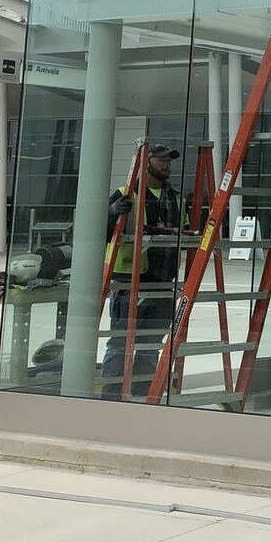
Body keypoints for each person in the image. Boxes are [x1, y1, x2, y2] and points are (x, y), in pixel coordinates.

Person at [101, 142, 183, 398]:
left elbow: (185, 234)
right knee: (121, 340)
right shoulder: (126, 193)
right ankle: (113, 391)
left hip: (162, 279)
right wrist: (112, 213)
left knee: (151, 342)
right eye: (161, 160)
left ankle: (142, 388)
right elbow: (98, 230)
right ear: (145, 163)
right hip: (130, 278)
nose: (166, 164)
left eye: (169, 160)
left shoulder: (175, 197)